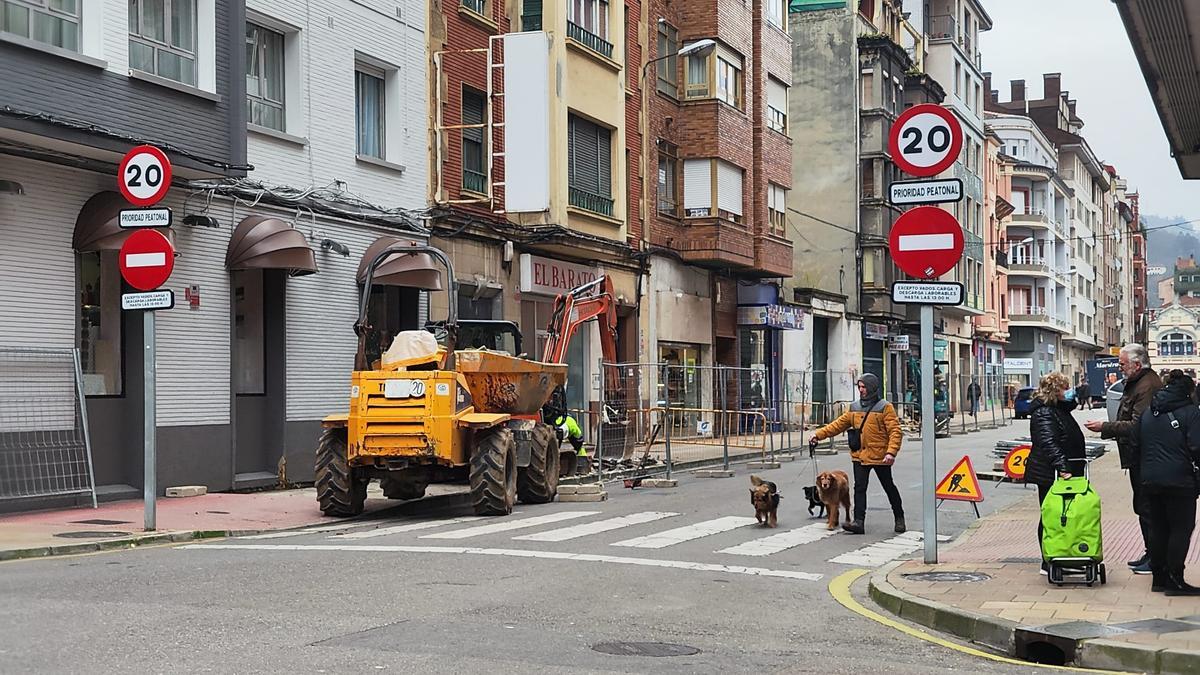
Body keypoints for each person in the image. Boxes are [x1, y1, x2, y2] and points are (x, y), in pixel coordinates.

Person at [1085, 343, 1162, 574]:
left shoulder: (1147, 386)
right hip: (1138, 455)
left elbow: (1138, 425)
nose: (1120, 368)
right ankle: (1151, 553)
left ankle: (1155, 558)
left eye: (1122, 364)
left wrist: (1104, 427)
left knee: (1148, 507)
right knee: (1142, 506)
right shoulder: (1137, 382)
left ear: (1137, 364)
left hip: (1145, 455)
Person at [809, 373, 904, 534]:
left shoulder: (885, 407)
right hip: (859, 455)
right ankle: (858, 522)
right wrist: (818, 434)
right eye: (859, 387)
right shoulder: (854, 407)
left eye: (864, 387)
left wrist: (891, 452)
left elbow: (895, 431)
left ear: (872, 388)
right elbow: (837, 425)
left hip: (880, 456)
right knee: (859, 488)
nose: (861, 390)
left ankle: (899, 518)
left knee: (889, 487)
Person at [1137, 370, 1200, 595]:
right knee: (1181, 528)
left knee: (1158, 528)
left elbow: (1136, 443)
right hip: (1179, 480)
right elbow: (1197, 446)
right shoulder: (1190, 412)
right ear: (1188, 391)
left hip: (1150, 479)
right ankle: (1176, 580)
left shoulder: (1148, 412)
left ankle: (1159, 578)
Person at [1026, 371, 1087, 575]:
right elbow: (1048, 442)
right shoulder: (1044, 412)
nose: (1068, 391)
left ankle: (1061, 555)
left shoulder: (1057, 409)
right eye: (1065, 387)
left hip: (1062, 471)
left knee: (1063, 515)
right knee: (1052, 516)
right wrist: (1062, 467)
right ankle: (1049, 559)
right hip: (1051, 473)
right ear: (1055, 390)